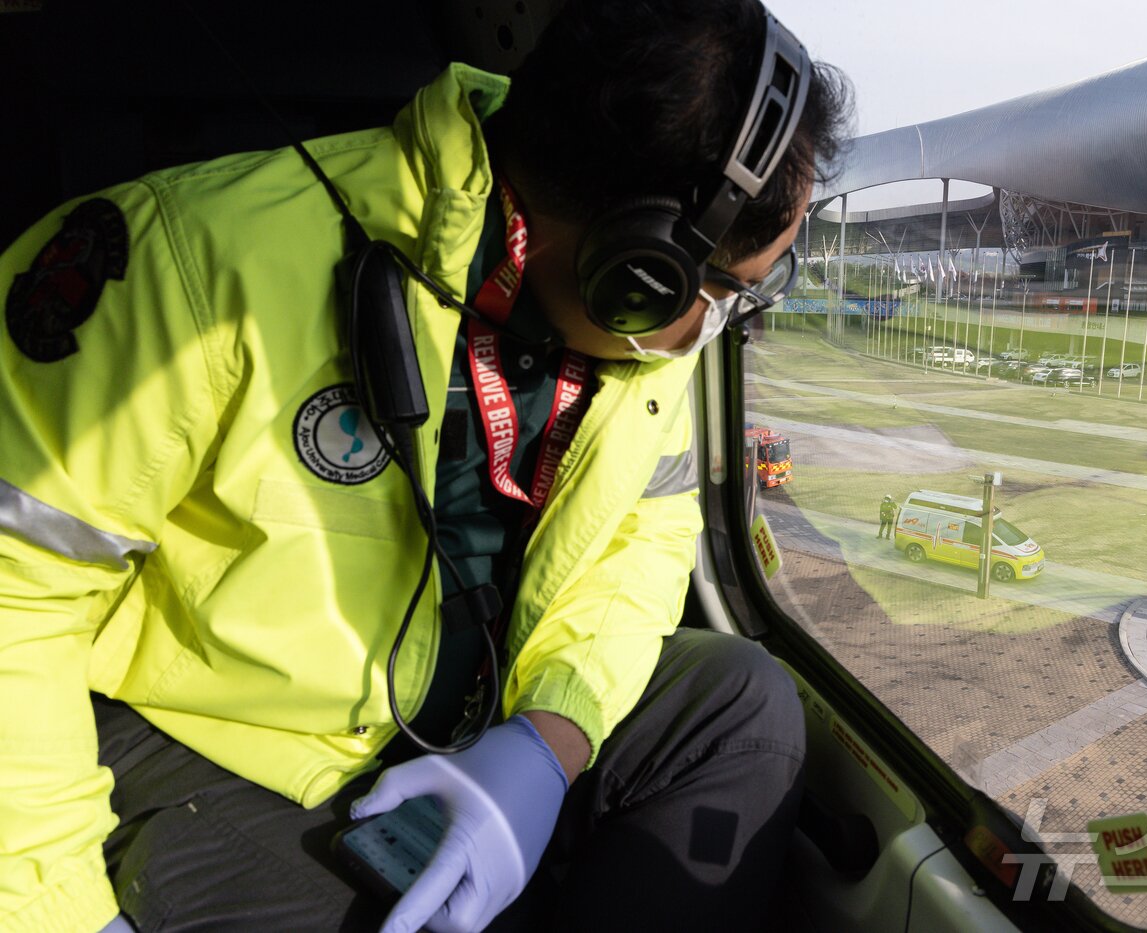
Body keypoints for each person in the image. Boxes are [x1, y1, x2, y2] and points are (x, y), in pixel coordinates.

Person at [0, 2, 851, 931]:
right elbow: (14, 591)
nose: (728, 321)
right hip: (222, 738)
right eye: (732, 290)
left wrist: (549, 739)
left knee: (741, 705)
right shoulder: (188, 260)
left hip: (481, 697)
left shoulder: (644, 347)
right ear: (635, 269)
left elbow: (644, 536)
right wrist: (60, 911)